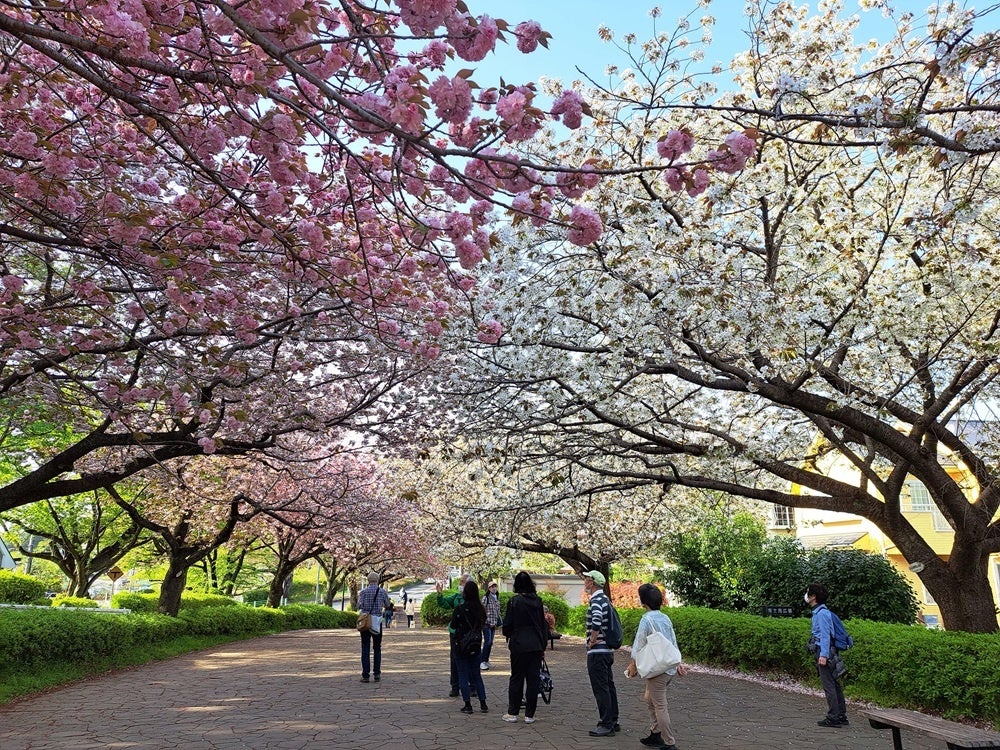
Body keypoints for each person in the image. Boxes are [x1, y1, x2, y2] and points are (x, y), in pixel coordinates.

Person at [625, 583, 687, 750]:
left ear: (643, 602)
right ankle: (655, 733)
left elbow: (638, 643)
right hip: (668, 668)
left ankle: (669, 742)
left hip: (657, 670)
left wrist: (633, 665)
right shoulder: (665, 618)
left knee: (659, 705)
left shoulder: (646, 619)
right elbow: (672, 641)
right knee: (649, 698)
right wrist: (678, 662)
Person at [500, 571, 548, 724]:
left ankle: (513, 713)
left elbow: (507, 625)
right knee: (533, 680)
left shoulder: (514, 601)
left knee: (517, 677)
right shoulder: (538, 602)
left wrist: (509, 634)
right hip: (535, 645)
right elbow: (542, 625)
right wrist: (543, 645)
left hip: (519, 645)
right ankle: (530, 715)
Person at [805, 582, 849, 727]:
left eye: (808, 593)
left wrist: (823, 655)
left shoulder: (821, 614)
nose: (806, 596)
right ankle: (841, 714)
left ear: (813, 597)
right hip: (828, 650)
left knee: (829, 685)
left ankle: (834, 716)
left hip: (824, 651)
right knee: (835, 684)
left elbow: (825, 636)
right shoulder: (822, 612)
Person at [582, 569, 619, 737]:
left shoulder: (596, 600)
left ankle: (606, 724)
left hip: (598, 651)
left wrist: (592, 640)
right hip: (607, 652)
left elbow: (596, 620)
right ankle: (613, 720)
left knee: (601, 688)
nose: (585, 581)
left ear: (592, 582)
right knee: (609, 686)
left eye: (587, 579)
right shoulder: (605, 599)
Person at [450, 579, 489, 714]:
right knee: (477, 675)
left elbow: (453, 626)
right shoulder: (480, 609)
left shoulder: (460, 609)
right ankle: (483, 703)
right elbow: (483, 624)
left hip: (461, 645)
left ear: (465, 593)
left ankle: (468, 705)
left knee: (463, 674)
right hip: (476, 644)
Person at [436, 573, 473, 697]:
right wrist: (440, 594)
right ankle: (455, 686)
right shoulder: (457, 597)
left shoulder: (474, 599)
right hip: (456, 633)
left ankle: (471, 686)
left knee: (470, 659)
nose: (460, 584)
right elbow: (444, 604)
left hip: (469, 633)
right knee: (454, 658)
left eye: (462, 582)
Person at [357, 571, 391, 683]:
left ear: (368, 580)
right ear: (378, 580)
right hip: (377, 622)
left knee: (365, 648)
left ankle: (365, 675)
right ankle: (377, 674)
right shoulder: (382, 592)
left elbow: (358, 606)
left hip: (366, 622)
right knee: (377, 648)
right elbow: (387, 605)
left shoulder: (363, 592)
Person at [480, 580, 501, 670]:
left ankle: (486, 660)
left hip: (493, 624)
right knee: (487, 642)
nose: (494, 588)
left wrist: (496, 622)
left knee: (490, 643)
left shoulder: (496, 598)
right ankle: (481, 661)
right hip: (486, 624)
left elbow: (497, 612)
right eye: (492, 587)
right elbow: (482, 611)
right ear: (489, 588)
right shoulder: (486, 598)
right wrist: (489, 621)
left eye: (495, 586)